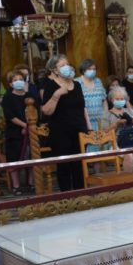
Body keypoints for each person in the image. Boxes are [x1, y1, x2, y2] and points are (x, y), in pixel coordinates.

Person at [41, 54, 91, 191]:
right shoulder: (50, 86)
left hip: (79, 130)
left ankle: (80, 195)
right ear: (55, 70)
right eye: (62, 65)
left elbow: (82, 108)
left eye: (67, 64)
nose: (67, 67)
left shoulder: (77, 85)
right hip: (61, 133)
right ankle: (67, 196)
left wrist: (88, 128)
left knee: (79, 165)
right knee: (64, 166)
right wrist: (56, 95)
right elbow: (46, 111)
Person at [1, 70, 34, 195]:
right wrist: (24, 125)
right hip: (14, 132)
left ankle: (31, 183)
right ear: (10, 84)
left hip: (31, 131)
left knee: (31, 156)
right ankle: (16, 186)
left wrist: (30, 126)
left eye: (21, 79)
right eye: (15, 80)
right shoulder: (8, 97)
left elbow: (36, 109)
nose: (18, 81)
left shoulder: (29, 96)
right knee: (14, 158)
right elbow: (9, 115)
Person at [105, 86, 133, 178]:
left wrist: (131, 119)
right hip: (116, 143)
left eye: (122, 99)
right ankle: (129, 181)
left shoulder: (129, 111)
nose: (120, 101)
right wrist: (116, 124)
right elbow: (104, 133)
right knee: (129, 155)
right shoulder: (108, 114)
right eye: (117, 99)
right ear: (112, 100)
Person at [77, 58, 107, 133]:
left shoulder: (98, 81)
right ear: (83, 70)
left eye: (94, 69)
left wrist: (106, 116)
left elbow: (104, 100)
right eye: (89, 69)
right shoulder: (77, 82)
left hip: (100, 120)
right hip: (85, 122)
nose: (92, 71)